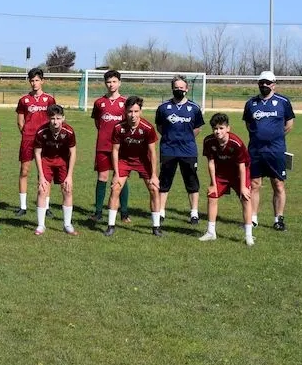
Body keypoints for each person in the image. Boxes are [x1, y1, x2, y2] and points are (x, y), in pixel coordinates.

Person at [242, 71, 296, 231]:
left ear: (273, 84)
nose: (264, 85)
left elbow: (289, 125)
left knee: (278, 184)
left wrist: (274, 137)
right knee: (254, 184)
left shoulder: (283, 102)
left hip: (276, 151)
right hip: (255, 151)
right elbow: (249, 125)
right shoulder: (251, 103)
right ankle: (253, 219)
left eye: (267, 82)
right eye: (261, 82)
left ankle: (278, 219)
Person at [104, 96, 161, 237]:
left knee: (154, 189)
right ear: (125, 111)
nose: (133, 115)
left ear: (141, 111)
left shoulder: (148, 128)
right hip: (124, 161)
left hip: (143, 161)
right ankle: (110, 226)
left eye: (136, 111)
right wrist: (116, 174)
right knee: (115, 188)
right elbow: (115, 151)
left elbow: (153, 152)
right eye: (130, 111)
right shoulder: (119, 128)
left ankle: (156, 227)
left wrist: (154, 175)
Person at [155, 75, 205, 224]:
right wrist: (170, 137)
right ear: (172, 89)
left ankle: (194, 213)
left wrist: (186, 138)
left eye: (181, 88)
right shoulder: (163, 108)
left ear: (187, 89)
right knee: (164, 181)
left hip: (188, 151)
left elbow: (197, 128)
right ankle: (161, 212)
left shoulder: (194, 108)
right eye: (176, 88)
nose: (179, 90)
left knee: (191, 181)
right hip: (168, 150)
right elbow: (160, 127)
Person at [200, 113, 254, 245]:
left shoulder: (236, 143)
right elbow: (211, 163)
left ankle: (248, 235)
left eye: (221, 128)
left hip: (238, 174)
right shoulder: (208, 141)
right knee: (212, 196)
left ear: (228, 128)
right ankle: (211, 232)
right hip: (221, 174)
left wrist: (243, 187)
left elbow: (242, 166)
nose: (218, 131)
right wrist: (213, 184)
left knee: (246, 198)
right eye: (215, 128)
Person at [33, 103, 78, 236]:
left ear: (63, 118)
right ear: (48, 118)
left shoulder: (69, 132)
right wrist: (41, 175)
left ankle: (67, 225)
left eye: (58, 118)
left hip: (63, 163)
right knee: (42, 190)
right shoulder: (41, 132)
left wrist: (70, 176)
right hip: (46, 162)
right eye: (52, 118)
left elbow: (73, 153)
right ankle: (41, 225)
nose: (55, 121)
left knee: (67, 191)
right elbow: (37, 153)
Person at [91, 70, 130, 223]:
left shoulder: (125, 103)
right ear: (105, 83)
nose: (111, 84)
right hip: (103, 145)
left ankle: (124, 213)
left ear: (119, 83)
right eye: (108, 82)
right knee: (102, 177)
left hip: (121, 147)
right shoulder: (99, 102)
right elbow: (97, 123)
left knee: (120, 178)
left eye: (114, 81)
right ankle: (98, 212)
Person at [16, 68, 55, 217]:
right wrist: (27, 133)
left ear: (42, 81)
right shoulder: (24, 100)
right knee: (24, 171)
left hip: (45, 140)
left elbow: (54, 119)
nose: (34, 83)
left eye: (37, 80)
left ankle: (46, 206)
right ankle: (23, 206)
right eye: (32, 80)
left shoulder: (49, 100)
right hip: (28, 139)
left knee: (44, 173)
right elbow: (20, 121)